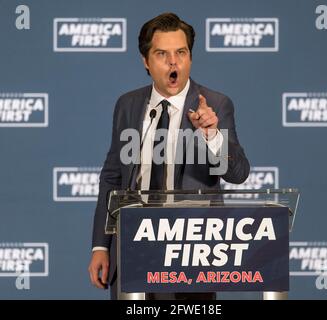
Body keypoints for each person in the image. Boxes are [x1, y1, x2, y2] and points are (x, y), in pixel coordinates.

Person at [88, 12, 250, 300]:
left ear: (190, 57)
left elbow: (238, 173)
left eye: (181, 53)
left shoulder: (215, 104)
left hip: (191, 251)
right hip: (132, 244)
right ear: (146, 61)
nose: (174, 62)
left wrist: (211, 135)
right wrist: (101, 245)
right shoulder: (127, 105)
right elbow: (112, 177)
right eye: (162, 54)